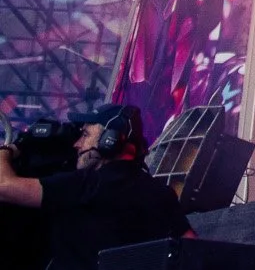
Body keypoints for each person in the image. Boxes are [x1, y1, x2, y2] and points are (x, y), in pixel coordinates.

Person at [0, 105, 192, 270]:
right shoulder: (160, 193)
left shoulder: (89, 184)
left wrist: (9, 149)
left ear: (110, 140)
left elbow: (4, 186)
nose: (77, 144)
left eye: (85, 135)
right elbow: (193, 249)